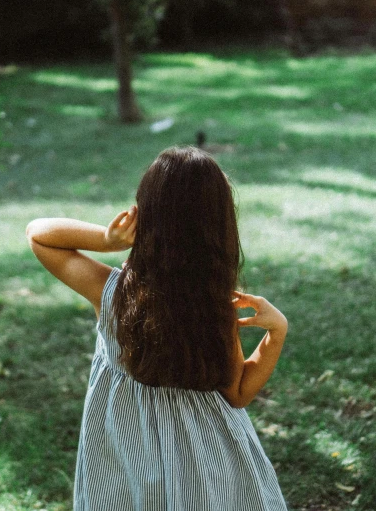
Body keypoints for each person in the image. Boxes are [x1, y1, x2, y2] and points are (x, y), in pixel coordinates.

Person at [26, 146, 289, 510]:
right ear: (220, 228)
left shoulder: (113, 293)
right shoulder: (214, 306)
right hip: (207, 464)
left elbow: (39, 234)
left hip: (126, 457)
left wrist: (106, 239)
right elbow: (238, 394)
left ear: (145, 215)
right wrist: (276, 332)